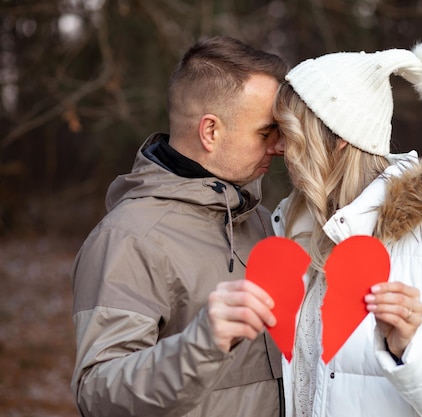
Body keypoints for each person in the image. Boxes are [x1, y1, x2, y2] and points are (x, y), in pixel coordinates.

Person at [271, 41, 422, 416]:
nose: (279, 148)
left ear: (337, 141)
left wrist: (411, 347)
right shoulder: (293, 229)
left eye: (290, 132)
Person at [70, 36, 289, 417]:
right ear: (210, 131)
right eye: (265, 132)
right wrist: (202, 344)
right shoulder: (128, 238)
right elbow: (98, 394)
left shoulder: (261, 220)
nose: (280, 146)